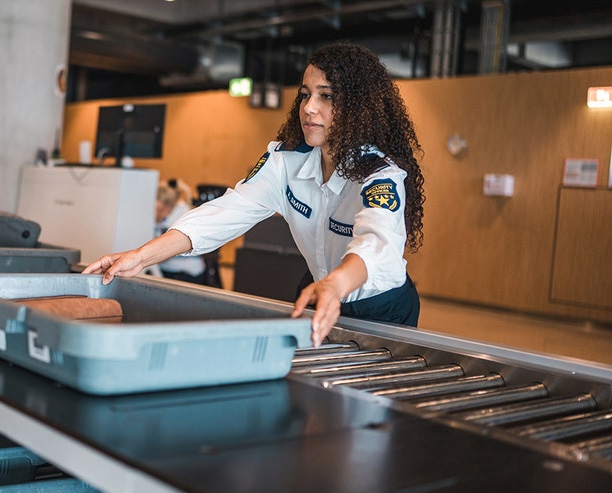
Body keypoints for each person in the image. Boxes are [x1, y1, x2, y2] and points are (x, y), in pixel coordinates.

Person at [83, 42, 426, 348]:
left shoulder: (379, 174)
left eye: (327, 96)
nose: (309, 108)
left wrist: (336, 286)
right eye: (305, 94)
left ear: (358, 107)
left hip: (381, 308)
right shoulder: (284, 160)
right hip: (319, 293)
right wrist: (142, 257)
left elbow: (376, 243)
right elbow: (229, 211)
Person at [151, 180, 208, 285]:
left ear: (170, 206)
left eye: (160, 210)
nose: (156, 214)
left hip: (186, 273)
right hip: (165, 270)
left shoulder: (183, 215)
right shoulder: (163, 215)